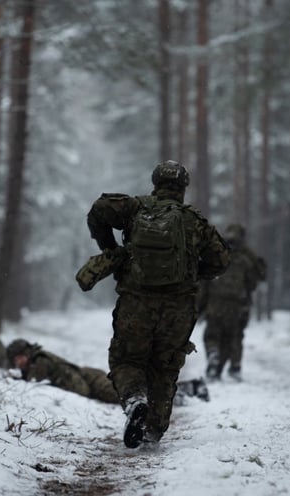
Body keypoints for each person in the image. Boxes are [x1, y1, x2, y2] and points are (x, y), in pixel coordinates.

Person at [86, 159, 230, 448]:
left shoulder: (133, 208)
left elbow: (98, 210)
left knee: (127, 360)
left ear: (155, 183)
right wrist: (193, 272)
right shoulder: (195, 221)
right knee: (165, 367)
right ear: (183, 188)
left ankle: (135, 400)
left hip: (136, 303)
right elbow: (221, 261)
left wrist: (110, 249)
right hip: (178, 308)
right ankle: (153, 430)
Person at [199, 223, 266, 382]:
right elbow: (256, 278)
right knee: (234, 337)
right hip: (237, 305)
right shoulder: (246, 259)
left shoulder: (216, 255)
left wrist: (200, 307)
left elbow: (204, 282)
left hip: (215, 303)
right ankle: (234, 366)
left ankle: (213, 357)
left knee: (212, 335)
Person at [5, 338, 120, 404]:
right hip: (88, 377)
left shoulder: (40, 361)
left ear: (26, 353)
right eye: (15, 360)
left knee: (122, 394)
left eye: (19, 358)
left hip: (92, 380)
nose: (18, 363)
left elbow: (33, 381)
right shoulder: (36, 360)